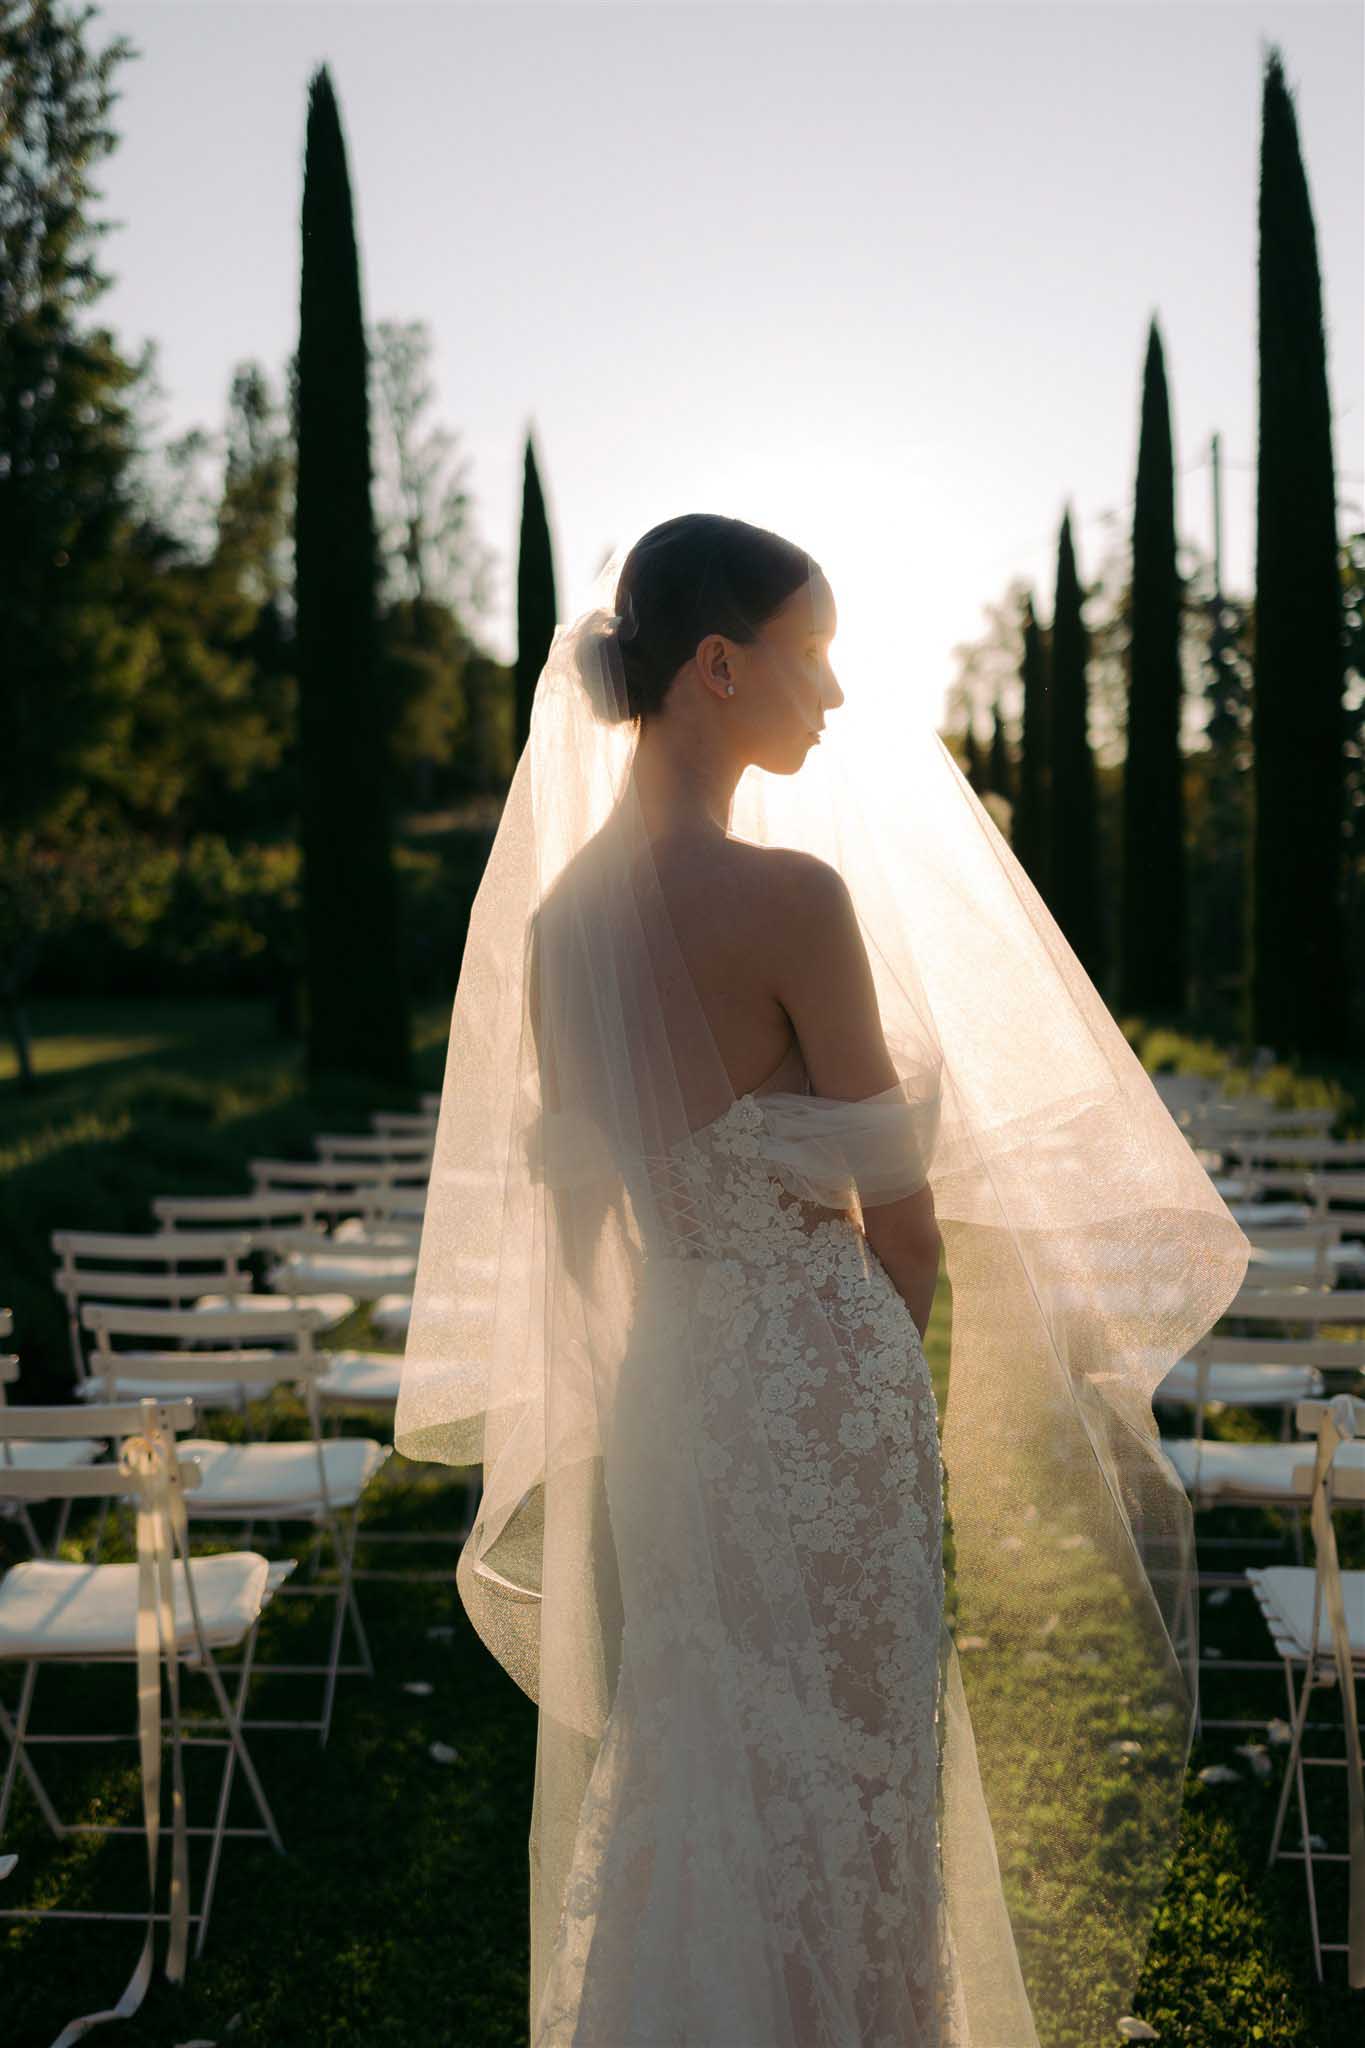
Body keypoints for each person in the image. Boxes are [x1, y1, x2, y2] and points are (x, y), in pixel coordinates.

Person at [396, 514, 1249, 2046]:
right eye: (817, 655)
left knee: (694, 1758)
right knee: (856, 1765)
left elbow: (587, 1223)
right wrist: (851, 1364)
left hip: (671, 1392)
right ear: (719, 667)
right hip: (820, 1384)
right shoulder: (791, 902)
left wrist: (684, 1352)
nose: (838, 698)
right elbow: (903, 1224)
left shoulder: (554, 926)